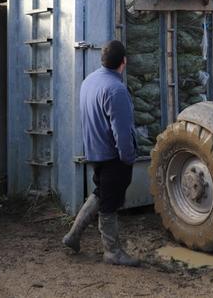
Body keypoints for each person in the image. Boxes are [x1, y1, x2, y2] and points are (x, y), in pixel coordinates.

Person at [62, 40, 139, 266]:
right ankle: (112, 251)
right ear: (123, 62)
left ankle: (73, 235)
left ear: (103, 60)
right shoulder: (116, 90)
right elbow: (122, 131)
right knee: (110, 203)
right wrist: (128, 157)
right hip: (113, 154)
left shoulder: (89, 81)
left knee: (101, 192)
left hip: (95, 151)